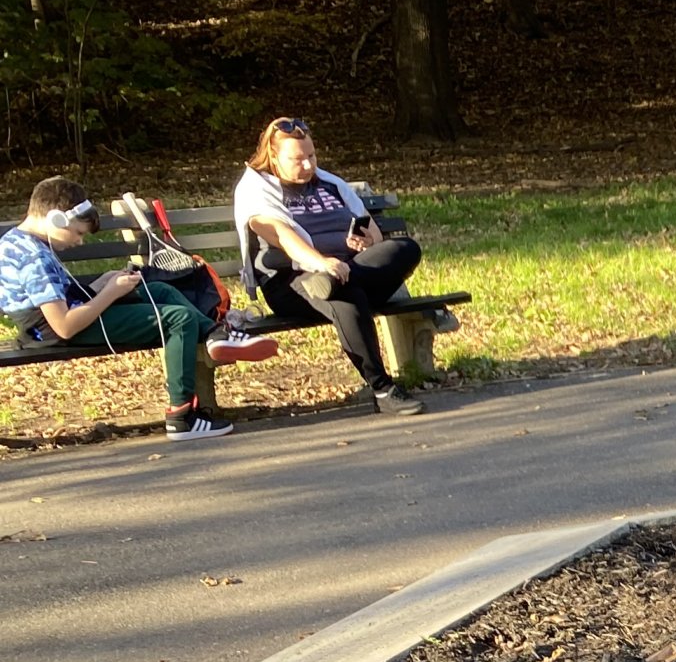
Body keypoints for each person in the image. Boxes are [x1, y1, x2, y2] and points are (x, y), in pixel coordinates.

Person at [0, 177, 276, 442]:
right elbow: (64, 325)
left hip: (51, 322)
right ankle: (181, 417)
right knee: (177, 319)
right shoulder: (33, 258)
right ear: (55, 218)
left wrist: (101, 283)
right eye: (78, 233)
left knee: (161, 291)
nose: (79, 242)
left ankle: (216, 335)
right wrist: (110, 293)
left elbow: (60, 299)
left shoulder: (20, 240)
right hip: (54, 332)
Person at [234, 118, 430, 415]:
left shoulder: (331, 184)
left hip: (349, 269)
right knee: (346, 296)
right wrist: (321, 263)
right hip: (293, 279)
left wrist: (366, 243)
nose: (308, 165)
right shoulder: (257, 190)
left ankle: (338, 281)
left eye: (311, 156)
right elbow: (283, 237)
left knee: (405, 248)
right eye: (297, 159)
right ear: (274, 157)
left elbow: (374, 232)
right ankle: (383, 388)